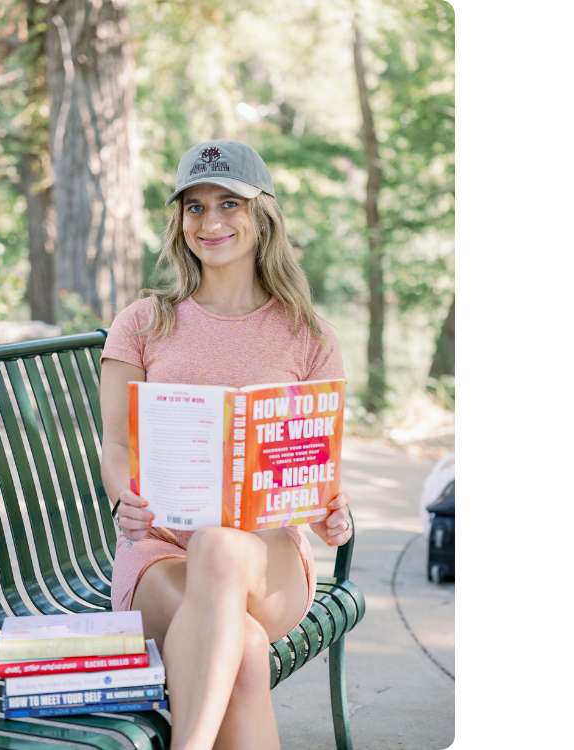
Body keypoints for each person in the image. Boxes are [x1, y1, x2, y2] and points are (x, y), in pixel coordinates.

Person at [99, 139, 353, 750]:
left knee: (221, 544)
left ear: (261, 214)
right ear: (178, 220)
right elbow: (116, 447)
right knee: (238, 648)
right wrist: (121, 500)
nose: (210, 222)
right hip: (160, 550)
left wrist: (333, 508)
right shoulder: (144, 321)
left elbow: (320, 465)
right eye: (194, 207)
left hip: (267, 555)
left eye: (228, 204)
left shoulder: (307, 334)